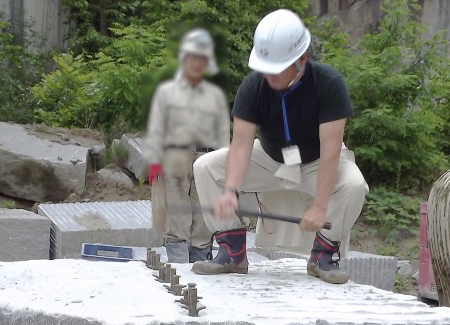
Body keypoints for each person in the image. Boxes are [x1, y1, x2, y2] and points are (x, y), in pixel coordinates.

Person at [191, 9, 368, 284]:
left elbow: (331, 152)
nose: (269, 75)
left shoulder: (329, 84)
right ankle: (232, 252)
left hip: (318, 161)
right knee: (206, 166)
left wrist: (320, 206)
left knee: (354, 185)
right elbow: (240, 147)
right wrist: (230, 190)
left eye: (277, 68)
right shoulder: (253, 87)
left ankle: (323, 254)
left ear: (302, 60)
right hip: (270, 159)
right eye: (265, 67)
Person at [146, 28, 230, 263]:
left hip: (206, 160)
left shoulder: (214, 95)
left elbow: (223, 135)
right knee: (177, 222)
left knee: (203, 223)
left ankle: (202, 271)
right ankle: (179, 276)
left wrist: (225, 172)